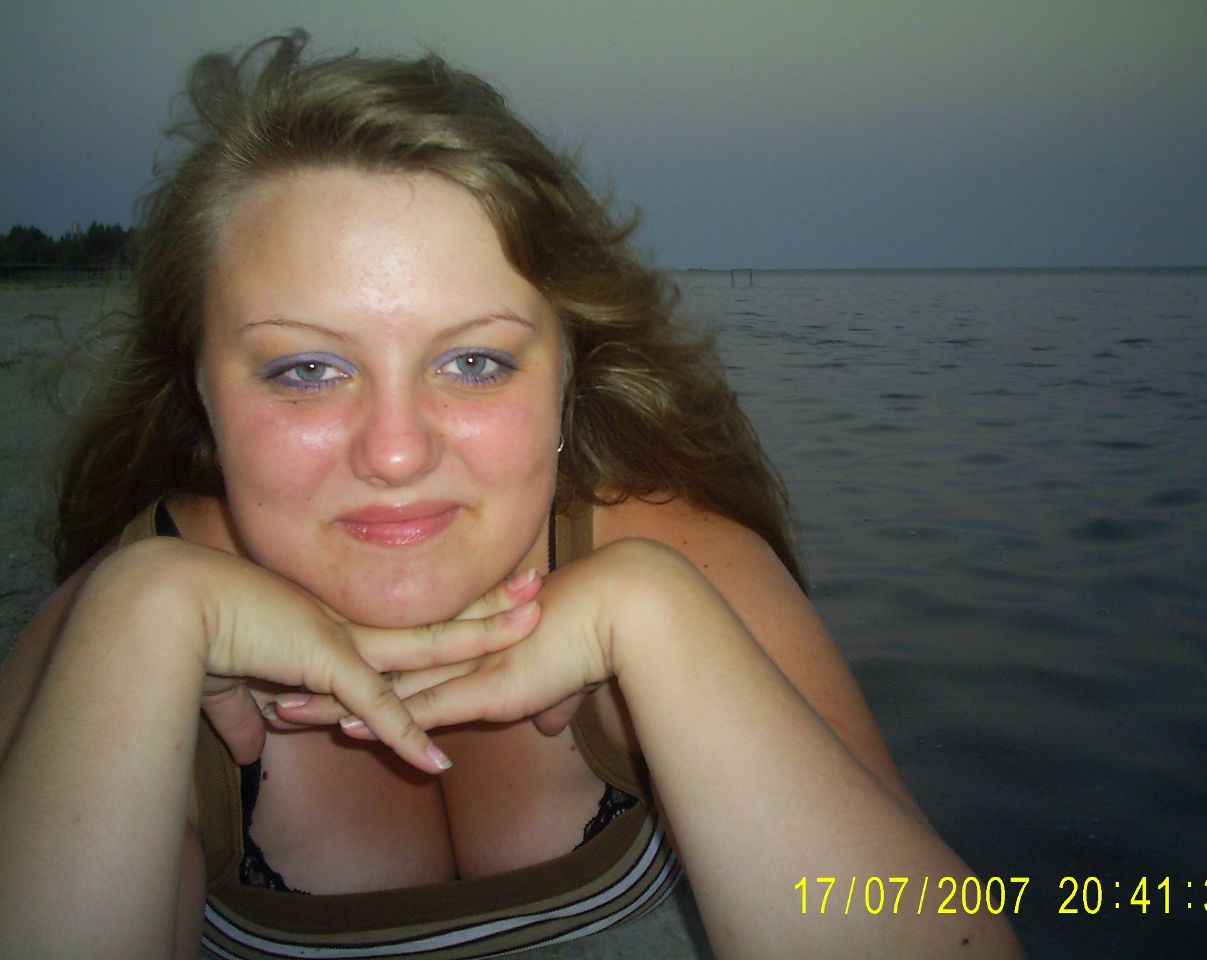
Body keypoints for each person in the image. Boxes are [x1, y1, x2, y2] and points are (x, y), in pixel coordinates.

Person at [0, 32, 1022, 960]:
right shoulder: (116, 637)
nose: (396, 452)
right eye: (307, 370)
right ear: (199, 392)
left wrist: (656, 621)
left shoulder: (687, 568)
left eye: (475, 363)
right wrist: (139, 619)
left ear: (570, 377)